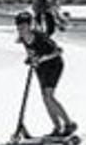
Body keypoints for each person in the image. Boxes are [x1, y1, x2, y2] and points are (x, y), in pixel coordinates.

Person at [15, 10, 76, 138]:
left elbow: (58, 51)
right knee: (45, 98)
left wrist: (41, 59)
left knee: (49, 96)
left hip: (54, 65)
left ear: (30, 25)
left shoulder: (39, 36)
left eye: (23, 26)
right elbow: (32, 52)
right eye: (18, 26)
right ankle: (57, 127)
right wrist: (30, 59)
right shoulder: (23, 38)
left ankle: (69, 124)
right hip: (41, 68)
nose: (20, 29)